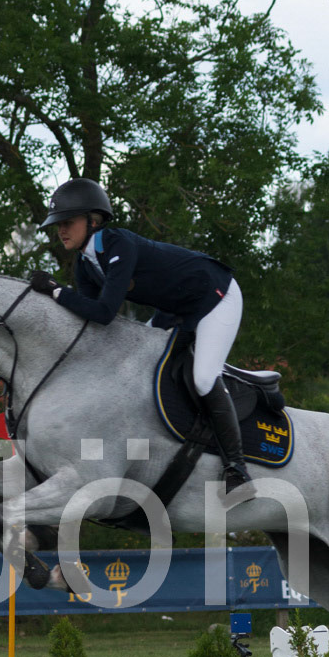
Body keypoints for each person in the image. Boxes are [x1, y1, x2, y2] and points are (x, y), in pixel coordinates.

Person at [26, 178, 250, 491]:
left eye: (68, 222)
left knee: (202, 378)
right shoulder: (84, 264)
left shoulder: (118, 245)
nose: (61, 230)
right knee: (135, 367)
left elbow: (105, 312)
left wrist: (56, 291)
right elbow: (89, 321)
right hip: (176, 310)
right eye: (58, 224)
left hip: (215, 296)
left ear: (93, 221)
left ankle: (236, 468)